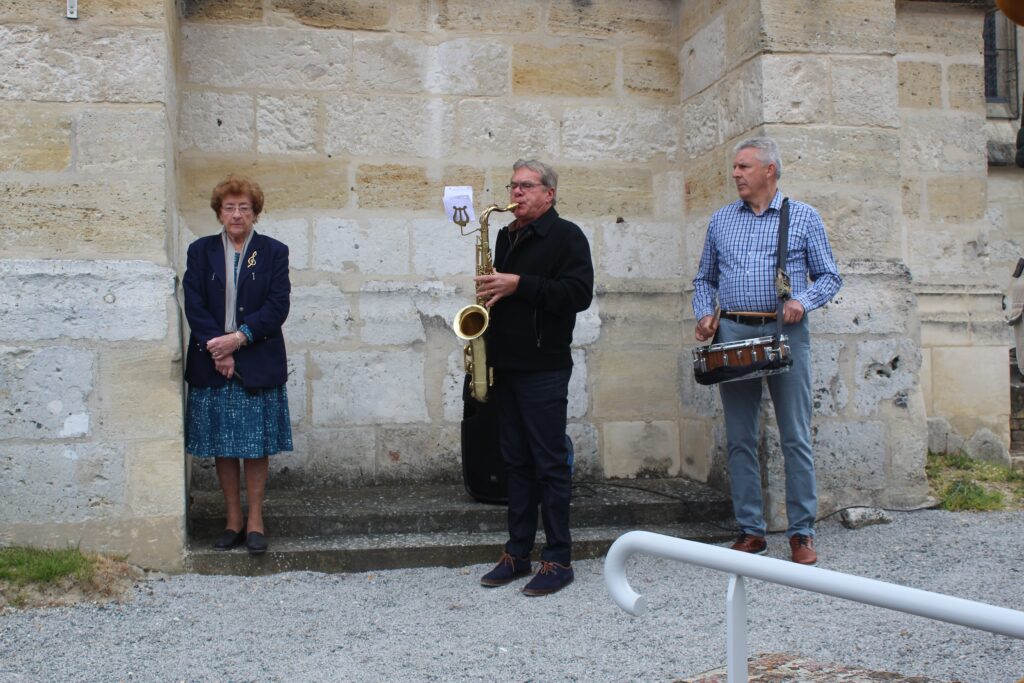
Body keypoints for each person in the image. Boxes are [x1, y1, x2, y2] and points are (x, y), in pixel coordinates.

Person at [692, 137, 841, 566]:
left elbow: (829, 277)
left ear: (769, 171)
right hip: (734, 330)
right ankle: (751, 530)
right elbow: (704, 279)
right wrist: (705, 315)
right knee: (740, 436)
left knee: (795, 435)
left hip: (784, 331)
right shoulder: (721, 220)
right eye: (735, 168)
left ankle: (802, 532)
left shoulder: (803, 217)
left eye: (744, 167)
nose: (736, 174)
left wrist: (801, 302)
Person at [475, 159, 594, 596]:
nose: (517, 193)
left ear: (550, 193)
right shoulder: (506, 236)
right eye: (514, 185)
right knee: (516, 463)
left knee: (549, 464)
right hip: (506, 364)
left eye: (526, 186)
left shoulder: (568, 237)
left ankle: (558, 558)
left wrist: (518, 284)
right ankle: (517, 552)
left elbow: (577, 295)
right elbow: (500, 293)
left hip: (544, 367)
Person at [183, 175, 293, 555]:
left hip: (256, 360)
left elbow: (277, 306)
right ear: (218, 212)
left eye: (244, 207)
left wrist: (238, 338)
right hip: (213, 362)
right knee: (223, 445)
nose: (236, 214)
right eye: (229, 207)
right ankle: (232, 521)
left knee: (254, 444)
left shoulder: (274, 252)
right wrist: (220, 348)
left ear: (255, 213)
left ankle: (256, 521)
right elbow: (193, 303)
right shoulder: (199, 252)